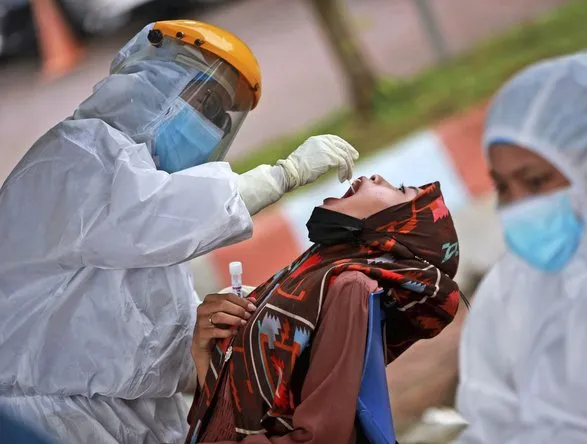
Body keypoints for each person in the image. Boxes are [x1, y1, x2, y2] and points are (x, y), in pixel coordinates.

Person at [0, 20, 358, 444]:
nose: (211, 127)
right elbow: (153, 215)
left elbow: (162, 347)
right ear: (158, 81)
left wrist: (209, 334)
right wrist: (284, 174)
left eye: (221, 117)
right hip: (44, 420)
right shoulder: (77, 155)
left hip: (133, 420)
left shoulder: (152, 202)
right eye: (205, 103)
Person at [188, 174, 462, 443]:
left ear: (400, 230)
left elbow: (320, 436)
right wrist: (204, 353)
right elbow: (227, 421)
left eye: (401, 189)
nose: (376, 177)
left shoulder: (350, 287)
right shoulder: (319, 281)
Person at [455, 54, 587, 443]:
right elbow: (488, 416)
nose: (519, 204)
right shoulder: (513, 284)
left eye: (536, 182)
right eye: (503, 187)